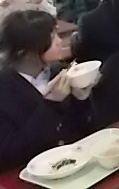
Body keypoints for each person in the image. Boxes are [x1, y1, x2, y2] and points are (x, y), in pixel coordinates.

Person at [0, 11, 93, 170]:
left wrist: (81, 99)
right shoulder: (5, 90)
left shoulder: (58, 72)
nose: (59, 41)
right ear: (24, 52)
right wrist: (51, 105)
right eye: (51, 38)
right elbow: (10, 154)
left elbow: (85, 129)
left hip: (75, 161)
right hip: (34, 171)